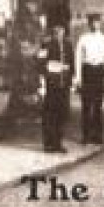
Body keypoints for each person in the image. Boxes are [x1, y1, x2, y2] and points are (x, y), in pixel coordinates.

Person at [36, 20, 73, 152]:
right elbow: (40, 63)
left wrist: (71, 81)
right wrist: (42, 83)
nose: (59, 32)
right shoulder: (46, 44)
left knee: (62, 114)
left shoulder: (68, 45)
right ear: (52, 30)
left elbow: (71, 64)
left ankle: (58, 142)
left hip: (64, 85)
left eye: (61, 29)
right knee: (49, 114)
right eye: (56, 29)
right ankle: (48, 143)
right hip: (51, 84)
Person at [75, 12, 104, 143]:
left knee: (97, 106)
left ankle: (97, 135)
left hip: (99, 72)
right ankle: (85, 135)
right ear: (88, 23)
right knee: (86, 105)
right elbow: (78, 59)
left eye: (96, 22)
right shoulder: (83, 39)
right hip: (87, 71)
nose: (94, 24)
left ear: (100, 23)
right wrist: (78, 78)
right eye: (92, 22)